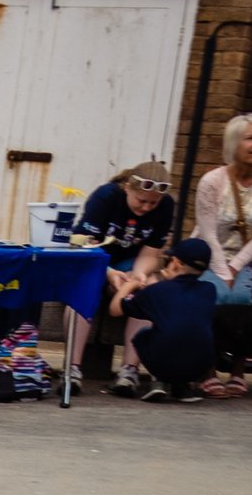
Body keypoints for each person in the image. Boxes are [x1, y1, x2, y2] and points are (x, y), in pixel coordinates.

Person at [71, 161, 178, 392]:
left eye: (153, 203)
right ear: (128, 188)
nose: (147, 208)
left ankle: (129, 370)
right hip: (93, 257)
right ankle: (73, 368)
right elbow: (84, 245)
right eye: (141, 201)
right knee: (84, 288)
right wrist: (107, 273)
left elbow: (151, 251)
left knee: (146, 288)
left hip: (130, 261)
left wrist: (139, 274)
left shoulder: (166, 206)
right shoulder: (106, 197)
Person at [189, 114, 252, 306]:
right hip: (207, 256)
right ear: (233, 144)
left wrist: (234, 267)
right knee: (216, 295)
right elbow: (207, 234)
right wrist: (223, 273)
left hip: (246, 260)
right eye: (250, 138)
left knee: (239, 299)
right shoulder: (212, 181)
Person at [114, 238, 217, 402]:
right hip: (200, 366)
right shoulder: (209, 290)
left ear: (175, 263)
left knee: (144, 334)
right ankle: (182, 387)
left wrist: (130, 285)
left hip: (163, 363)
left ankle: (158, 381)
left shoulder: (157, 290)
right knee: (185, 331)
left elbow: (115, 309)